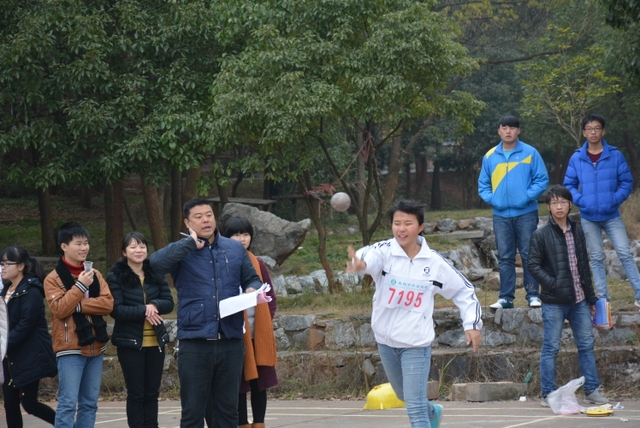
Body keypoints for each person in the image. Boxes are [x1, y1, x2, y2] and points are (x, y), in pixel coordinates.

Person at [346, 200, 482, 428]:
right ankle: (433, 413)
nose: (401, 228)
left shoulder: (434, 263)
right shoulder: (384, 252)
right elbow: (367, 257)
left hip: (415, 343)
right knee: (404, 395)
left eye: (408, 223)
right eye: (397, 223)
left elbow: (463, 290)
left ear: (420, 227)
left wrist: (472, 324)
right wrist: (360, 264)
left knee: (415, 407)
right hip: (385, 341)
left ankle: (425, 414)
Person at [149, 198, 263, 428]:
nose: (205, 220)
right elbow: (155, 264)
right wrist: (188, 244)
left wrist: (252, 288)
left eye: (209, 215)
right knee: (193, 412)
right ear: (187, 222)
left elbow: (252, 278)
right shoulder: (182, 250)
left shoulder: (234, 248)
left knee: (229, 412)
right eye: (198, 216)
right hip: (195, 342)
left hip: (230, 340)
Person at [528, 185, 609, 406]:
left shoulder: (578, 230)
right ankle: (548, 393)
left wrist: (591, 298)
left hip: (579, 300)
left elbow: (584, 266)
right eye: (554, 203)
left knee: (586, 345)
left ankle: (591, 390)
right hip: (554, 301)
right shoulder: (541, 234)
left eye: (563, 202)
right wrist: (553, 284)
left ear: (570, 204)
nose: (559, 206)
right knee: (551, 348)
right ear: (548, 207)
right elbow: (533, 265)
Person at [564, 113, 640, 307]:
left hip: (612, 215)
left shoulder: (615, 155)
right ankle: (603, 299)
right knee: (596, 257)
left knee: (625, 253)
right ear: (584, 132)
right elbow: (569, 185)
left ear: (603, 131)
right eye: (589, 129)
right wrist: (582, 201)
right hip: (588, 216)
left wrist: (614, 200)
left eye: (597, 128)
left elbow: (626, 182)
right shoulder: (577, 158)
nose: (593, 132)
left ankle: (639, 293)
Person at [44, 222, 114, 428]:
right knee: (67, 404)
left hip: (96, 346)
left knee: (89, 404)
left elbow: (108, 304)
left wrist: (77, 305)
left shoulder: (96, 274)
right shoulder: (52, 279)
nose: (84, 248)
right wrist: (81, 285)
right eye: (78, 243)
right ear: (64, 246)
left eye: (86, 243)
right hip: (70, 349)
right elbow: (59, 309)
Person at [478, 115, 549, 309]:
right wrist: (494, 200)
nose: (508, 131)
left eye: (512, 128)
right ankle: (506, 298)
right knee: (505, 257)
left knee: (529, 254)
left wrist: (526, 197)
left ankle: (533, 295)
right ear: (499, 131)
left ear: (519, 131)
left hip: (526, 213)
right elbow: (483, 184)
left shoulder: (530, 153)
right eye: (504, 127)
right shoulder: (490, 156)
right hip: (501, 215)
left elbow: (542, 179)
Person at [107, 232, 174, 428]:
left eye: (142, 246)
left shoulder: (155, 273)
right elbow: (116, 310)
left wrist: (154, 305)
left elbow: (169, 302)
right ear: (124, 252)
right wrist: (144, 310)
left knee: (152, 393)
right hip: (130, 344)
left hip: (156, 342)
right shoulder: (116, 276)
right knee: (136, 393)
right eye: (133, 246)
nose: (139, 250)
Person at [222, 217, 277, 428]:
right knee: (239, 383)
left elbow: (270, 298)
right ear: (226, 238)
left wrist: (263, 325)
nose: (242, 239)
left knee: (259, 383)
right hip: (236, 334)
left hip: (258, 334)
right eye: (236, 235)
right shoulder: (222, 263)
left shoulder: (258, 263)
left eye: (245, 234)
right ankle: (242, 423)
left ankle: (259, 423)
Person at [1, 247, 57, 427]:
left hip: (29, 356)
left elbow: (25, 325)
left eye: (7, 263)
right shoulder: (5, 291)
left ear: (20, 266)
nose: (3, 267)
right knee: (10, 404)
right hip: (9, 356)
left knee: (30, 404)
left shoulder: (31, 291)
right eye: (1, 263)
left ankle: (66, 425)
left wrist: (4, 343)